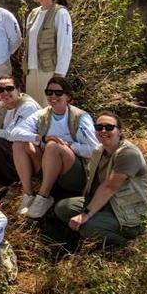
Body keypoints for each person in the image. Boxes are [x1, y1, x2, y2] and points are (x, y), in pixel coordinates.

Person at [53, 112, 147, 248]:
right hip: (107, 203)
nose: (103, 131)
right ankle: (87, 236)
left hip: (126, 211)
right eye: (99, 127)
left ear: (120, 131)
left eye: (109, 127)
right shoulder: (99, 150)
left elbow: (110, 187)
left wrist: (85, 215)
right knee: (63, 208)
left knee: (88, 227)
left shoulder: (128, 154)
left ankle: (126, 246)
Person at [10, 76, 99, 219]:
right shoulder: (42, 115)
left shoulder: (80, 117)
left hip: (74, 171)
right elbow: (14, 133)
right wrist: (41, 138)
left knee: (53, 146)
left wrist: (70, 146)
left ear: (68, 97)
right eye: (49, 92)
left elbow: (95, 150)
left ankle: (43, 197)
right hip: (47, 164)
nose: (53, 97)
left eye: (58, 93)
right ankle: (29, 195)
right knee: (19, 144)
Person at [23, 0, 74, 108]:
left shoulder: (60, 13)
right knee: (32, 112)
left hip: (49, 72)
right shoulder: (33, 14)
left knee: (49, 111)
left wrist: (59, 76)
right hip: (31, 72)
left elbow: (65, 46)